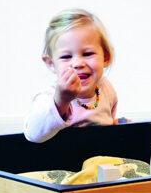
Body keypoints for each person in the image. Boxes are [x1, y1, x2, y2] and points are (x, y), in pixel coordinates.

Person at [24, 9, 118, 142]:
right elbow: (33, 135)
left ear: (106, 57)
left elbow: (107, 123)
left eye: (87, 54)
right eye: (66, 56)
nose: (78, 63)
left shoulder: (106, 89)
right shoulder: (48, 98)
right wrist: (61, 101)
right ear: (51, 63)